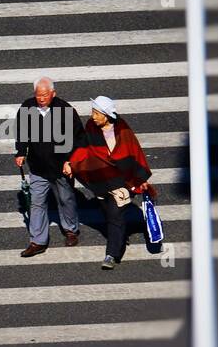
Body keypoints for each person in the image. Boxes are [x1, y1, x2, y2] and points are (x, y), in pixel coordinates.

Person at [64, 95, 153, 270]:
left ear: (106, 115)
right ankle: (119, 236)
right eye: (93, 112)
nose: (93, 116)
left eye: (97, 113)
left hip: (122, 182)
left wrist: (139, 179)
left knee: (114, 215)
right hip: (102, 181)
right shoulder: (91, 127)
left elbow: (134, 153)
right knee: (107, 212)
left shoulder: (123, 130)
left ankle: (112, 254)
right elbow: (83, 148)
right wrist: (71, 163)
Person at [14, 76, 83, 258]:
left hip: (61, 167)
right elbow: (21, 132)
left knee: (66, 199)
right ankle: (38, 241)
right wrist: (21, 152)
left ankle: (71, 230)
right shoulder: (27, 108)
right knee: (37, 203)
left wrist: (70, 161)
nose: (42, 98)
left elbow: (79, 138)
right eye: (38, 95)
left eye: (45, 95)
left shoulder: (65, 110)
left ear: (53, 93)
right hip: (38, 167)